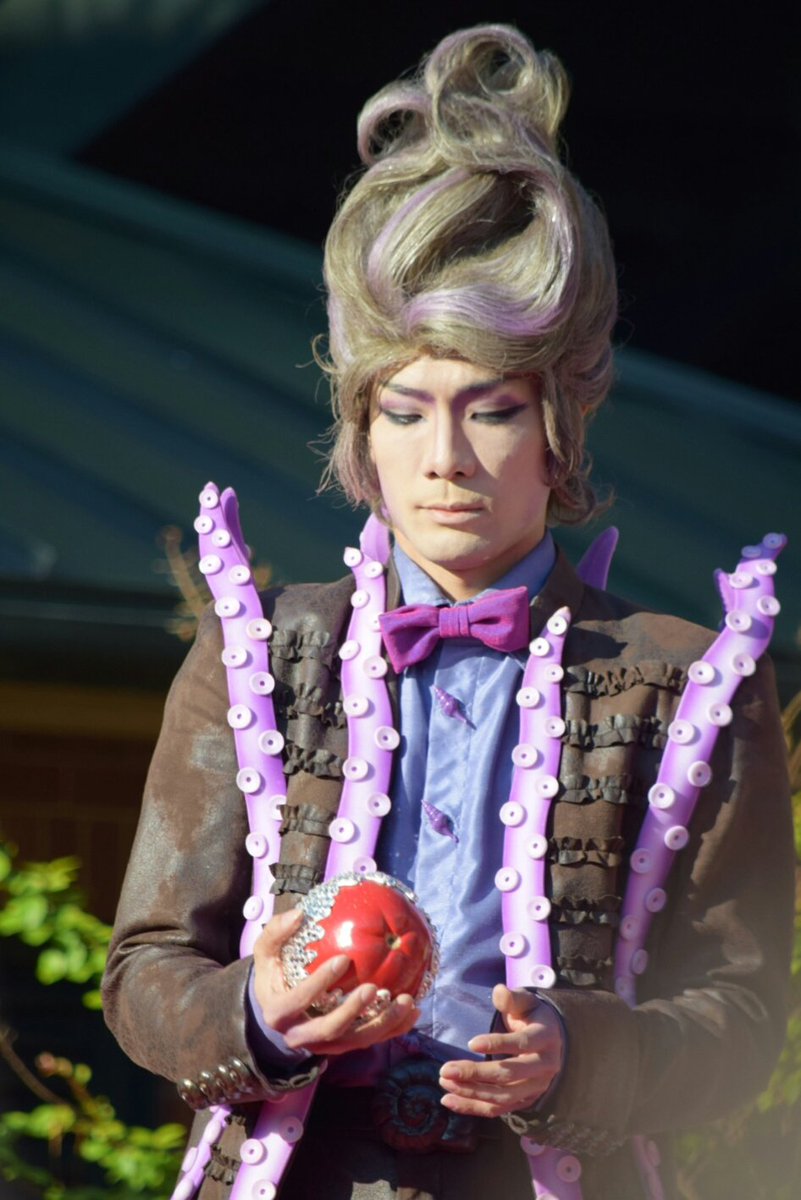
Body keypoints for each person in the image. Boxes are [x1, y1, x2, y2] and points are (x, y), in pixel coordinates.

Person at [102, 24, 795, 1200]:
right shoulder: (260, 652)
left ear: (559, 425)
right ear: (362, 431)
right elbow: (146, 971)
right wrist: (257, 1009)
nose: (446, 459)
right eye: (407, 410)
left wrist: (580, 1055)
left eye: (491, 410)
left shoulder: (689, 682)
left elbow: (743, 1014)